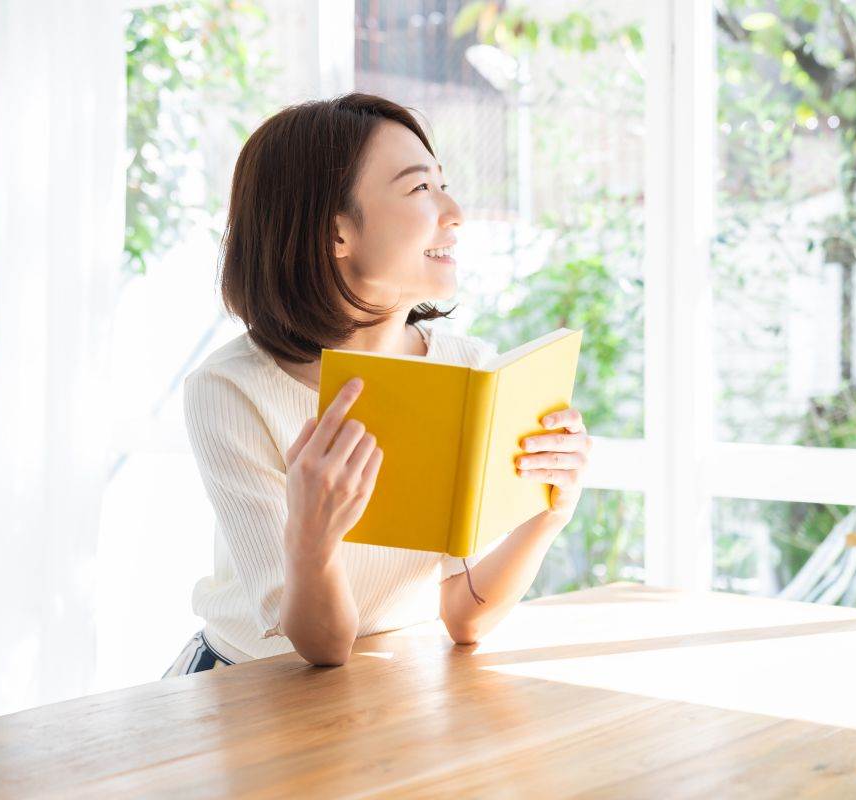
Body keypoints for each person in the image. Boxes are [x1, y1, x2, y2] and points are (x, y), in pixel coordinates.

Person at [164, 93, 593, 676]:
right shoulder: (230, 389)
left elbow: (465, 617)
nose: (455, 212)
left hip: (386, 686)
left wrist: (549, 513)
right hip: (247, 686)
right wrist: (313, 539)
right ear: (335, 232)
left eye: (443, 184)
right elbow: (320, 647)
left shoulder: (471, 369)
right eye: (420, 188)